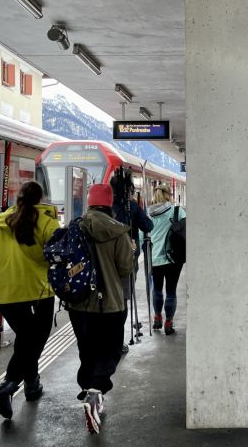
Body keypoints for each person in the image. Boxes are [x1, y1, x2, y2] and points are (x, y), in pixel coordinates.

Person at [0, 181, 60, 419]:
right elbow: (56, 251)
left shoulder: (2, 221)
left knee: (26, 339)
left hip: (4, 293)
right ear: (40, 198)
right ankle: (10, 384)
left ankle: (32, 385)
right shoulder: (46, 221)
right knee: (34, 339)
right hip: (37, 291)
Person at [70, 183, 134, 434]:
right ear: (109, 204)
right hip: (109, 304)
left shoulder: (75, 226)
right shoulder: (119, 232)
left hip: (79, 304)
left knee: (87, 348)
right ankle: (96, 390)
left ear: (89, 202)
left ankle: (87, 387)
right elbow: (125, 269)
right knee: (111, 350)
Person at [110, 169, 153, 353]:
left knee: (108, 299)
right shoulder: (133, 207)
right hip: (128, 259)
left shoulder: (106, 206)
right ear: (129, 190)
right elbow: (148, 226)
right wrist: (139, 207)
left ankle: (107, 340)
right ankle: (118, 342)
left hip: (106, 260)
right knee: (123, 299)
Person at [145, 185, 186, 335]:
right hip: (173, 259)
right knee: (171, 291)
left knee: (157, 289)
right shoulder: (178, 211)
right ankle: (169, 323)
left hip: (154, 259)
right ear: (169, 196)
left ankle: (157, 318)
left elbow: (143, 237)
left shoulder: (147, 214)